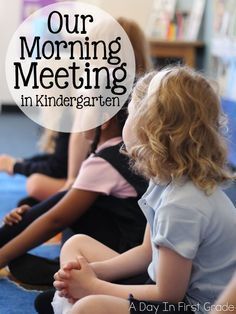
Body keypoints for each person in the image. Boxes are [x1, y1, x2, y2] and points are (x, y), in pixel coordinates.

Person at [48, 66, 236, 314]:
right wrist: (93, 272)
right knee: (76, 245)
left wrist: (94, 286)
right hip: (165, 286)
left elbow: (168, 295)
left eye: (130, 112)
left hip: (194, 306)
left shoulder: (181, 204)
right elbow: (147, 253)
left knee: (88, 307)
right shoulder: (165, 180)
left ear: (152, 129)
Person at [0, 104, 147, 283]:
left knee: (62, 209)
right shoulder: (118, 150)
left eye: (85, 109)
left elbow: (55, 220)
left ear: (105, 121)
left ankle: (65, 270)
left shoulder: (104, 163)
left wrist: (3, 257)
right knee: (61, 203)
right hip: (129, 247)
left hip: (126, 259)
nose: (79, 117)